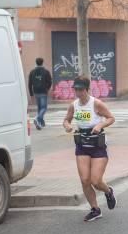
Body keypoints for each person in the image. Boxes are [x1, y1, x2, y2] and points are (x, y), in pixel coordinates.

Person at [63, 76, 117, 222]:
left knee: (96, 180)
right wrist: (67, 126)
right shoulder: (73, 105)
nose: (78, 93)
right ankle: (95, 209)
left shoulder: (96, 104)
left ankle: (108, 191)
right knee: (85, 180)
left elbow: (111, 118)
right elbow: (66, 119)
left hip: (97, 145)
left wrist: (99, 125)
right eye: (76, 90)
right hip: (82, 145)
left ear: (87, 89)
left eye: (81, 90)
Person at [28, 58, 53, 130]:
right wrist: (47, 89)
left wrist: (31, 94)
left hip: (36, 92)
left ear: (36, 63)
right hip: (43, 91)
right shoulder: (46, 71)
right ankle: (37, 118)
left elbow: (30, 83)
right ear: (42, 63)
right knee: (44, 108)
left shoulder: (32, 72)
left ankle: (41, 123)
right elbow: (50, 82)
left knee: (39, 108)